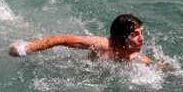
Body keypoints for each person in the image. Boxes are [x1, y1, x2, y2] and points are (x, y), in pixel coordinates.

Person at [9, 14, 172, 70]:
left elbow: (157, 67)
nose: (141, 39)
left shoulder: (137, 58)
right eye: (135, 34)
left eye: (141, 33)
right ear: (122, 37)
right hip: (79, 68)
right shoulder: (103, 45)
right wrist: (25, 49)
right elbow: (60, 39)